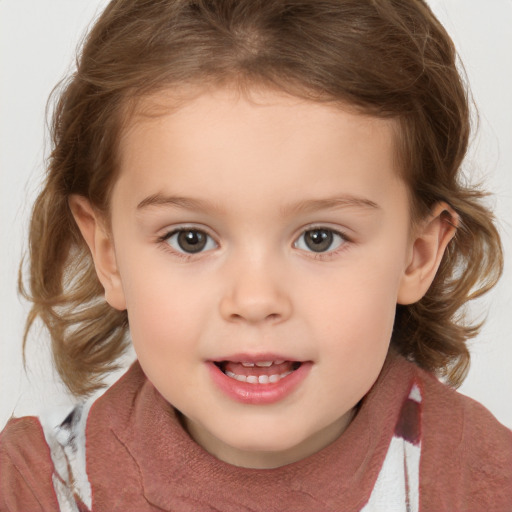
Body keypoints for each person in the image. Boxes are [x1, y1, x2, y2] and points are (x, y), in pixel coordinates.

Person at [1, 0, 511, 510]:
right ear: (107, 254)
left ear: (417, 255)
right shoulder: (32, 487)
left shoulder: (485, 484)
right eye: (190, 239)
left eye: (319, 238)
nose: (255, 300)